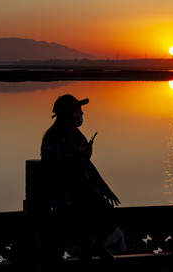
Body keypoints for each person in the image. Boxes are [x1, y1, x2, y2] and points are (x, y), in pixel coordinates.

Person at [41, 94, 125, 266]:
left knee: (108, 213)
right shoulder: (53, 139)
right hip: (67, 198)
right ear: (69, 114)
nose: (82, 114)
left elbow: (88, 167)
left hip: (85, 193)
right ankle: (86, 254)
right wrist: (76, 155)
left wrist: (105, 188)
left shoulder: (78, 136)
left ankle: (96, 247)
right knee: (84, 230)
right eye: (79, 111)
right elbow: (56, 171)